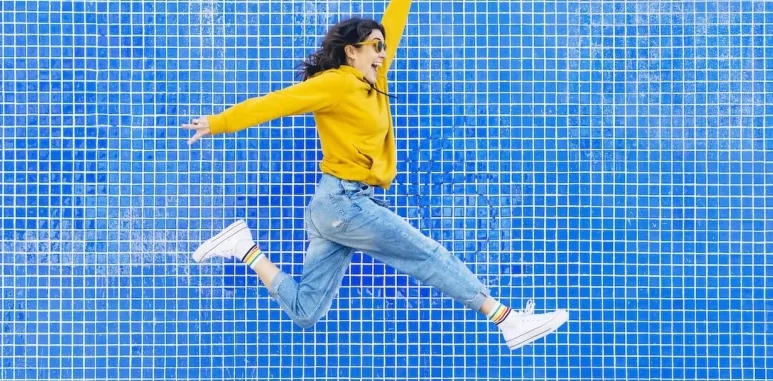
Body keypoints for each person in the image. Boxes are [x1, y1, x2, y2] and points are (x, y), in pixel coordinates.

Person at [181, 0, 568, 350]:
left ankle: (244, 247)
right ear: (351, 52)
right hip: (343, 204)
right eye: (374, 47)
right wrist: (219, 123)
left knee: (306, 309)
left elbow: (394, 21)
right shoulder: (334, 84)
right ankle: (507, 320)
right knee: (428, 255)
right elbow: (276, 103)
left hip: (337, 206)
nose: (382, 54)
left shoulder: (374, 83)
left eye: (384, 47)